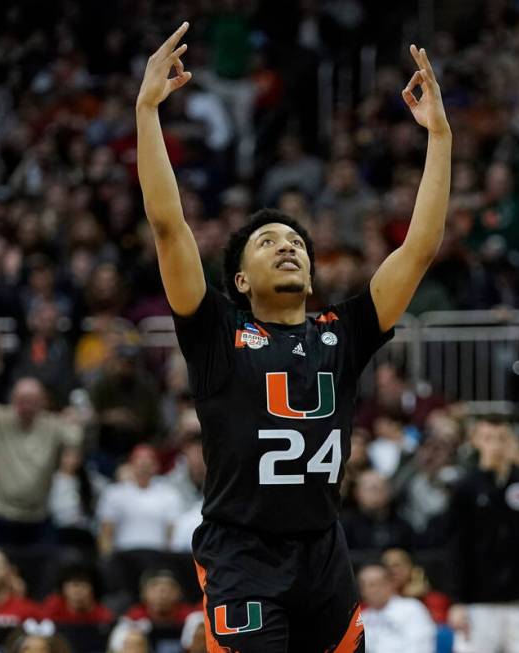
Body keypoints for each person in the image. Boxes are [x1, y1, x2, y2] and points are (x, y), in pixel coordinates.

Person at [136, 22, 450, 651]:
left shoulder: (345, 331)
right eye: (269, 242)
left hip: (323, 554)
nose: (288, 248)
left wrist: (439, 137)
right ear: (241, 280)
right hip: (242, 554)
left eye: (297, 243)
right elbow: (171, 230)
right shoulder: (216, 330)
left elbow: (417, 250)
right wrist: (147, 111)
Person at [446, 417, 519, 653]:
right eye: (488, 438)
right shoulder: (464, 487)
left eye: (502, 438)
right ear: (476, 441)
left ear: (512, 441)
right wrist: (456, 600)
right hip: (477, 604)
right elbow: (455, 546)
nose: (496, 445)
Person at [0, 363, 81, 546]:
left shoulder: (53, 425)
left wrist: (78, 419)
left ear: (43, 402)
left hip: (37, 517)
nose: (26, 406)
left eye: (32, 400)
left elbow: (77, 438)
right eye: (22, 400)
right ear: (13, 399)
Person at [97, 445, 183, 555]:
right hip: (124, 555)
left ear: (155, 466)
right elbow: (106, 532)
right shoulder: (114, 493)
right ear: (131, 464)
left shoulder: (169, 494)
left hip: (158, 554)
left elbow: (172, 532)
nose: (143, 465)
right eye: (139, 460)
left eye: (148, 461)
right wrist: (107, 560)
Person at [358, 563, 436, 653]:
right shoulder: (362, 618)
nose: (367, 590)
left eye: (372, 584)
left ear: (389, 584)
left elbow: (421, 648)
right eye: (363, 586)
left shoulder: (412, 608)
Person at [40, 563, 114, 625]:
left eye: (83, 585)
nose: (77, 590)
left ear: (92, 589)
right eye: (74, 585)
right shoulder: (53, 606)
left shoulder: (103, 616)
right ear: (63, 588)